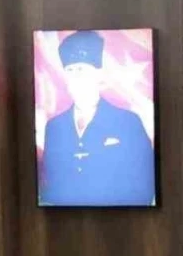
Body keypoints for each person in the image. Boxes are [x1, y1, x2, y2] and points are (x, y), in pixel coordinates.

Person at [40, 30, 155, 207]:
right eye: (70, 70)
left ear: (98, 74)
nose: (75, 76)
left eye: (81, 69)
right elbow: (52, 184)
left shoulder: (128, 122)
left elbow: (144, 185)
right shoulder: (54, 127)